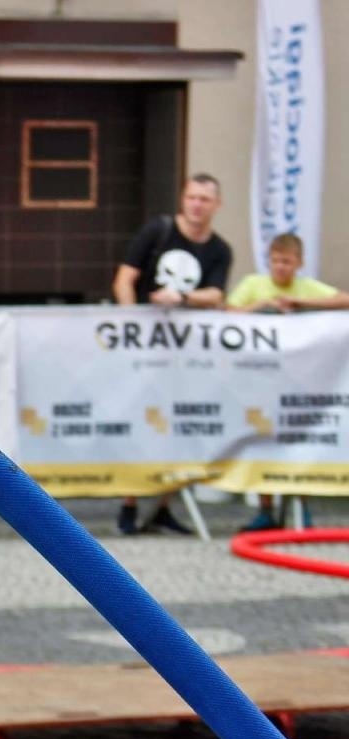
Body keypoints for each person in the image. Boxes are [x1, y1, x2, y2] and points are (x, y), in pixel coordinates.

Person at [110, 173, 234, 536]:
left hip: (186, 352)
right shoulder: (158, 232)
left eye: (205, 200)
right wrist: (132, 322)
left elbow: (215, 294)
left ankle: (164, 504)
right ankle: (129, 503)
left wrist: (181, 298)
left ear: (216, 206)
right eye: (192, 197)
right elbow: (125, 278)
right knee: (139, 418)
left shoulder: (219, 250)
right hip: (145, 346)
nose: (197, 205)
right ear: (183, 199)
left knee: (178, 423)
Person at [227, 233, 347, 531]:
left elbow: (344, 299)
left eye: (287, 262)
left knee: (301, 440)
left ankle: (300, 504)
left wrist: (299, 301)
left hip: (298, 382)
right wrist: (262, 305)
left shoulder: (306, 287)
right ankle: (265, 508)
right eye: (276, 261)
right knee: (260, 439)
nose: (280, 267)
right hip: (258, 380)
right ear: (268, 260)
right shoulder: (254, 285)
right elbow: (228, 312)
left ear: (299, 263)